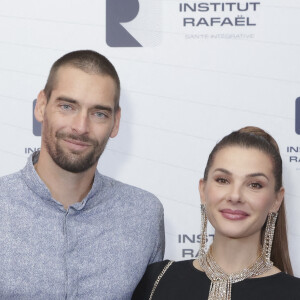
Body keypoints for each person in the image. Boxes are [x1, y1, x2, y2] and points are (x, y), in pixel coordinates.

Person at [0, 50, 164, 299]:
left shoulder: (143, 214)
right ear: (42, 106)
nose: (80, 127)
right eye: (67, 106)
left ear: (116, 122)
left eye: (99, 113)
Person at [132, 126, 300, 300]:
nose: (235, 196)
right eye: (223, 180)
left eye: (254, 184)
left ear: (276, 200)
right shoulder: (157, 280)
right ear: (203, 190)